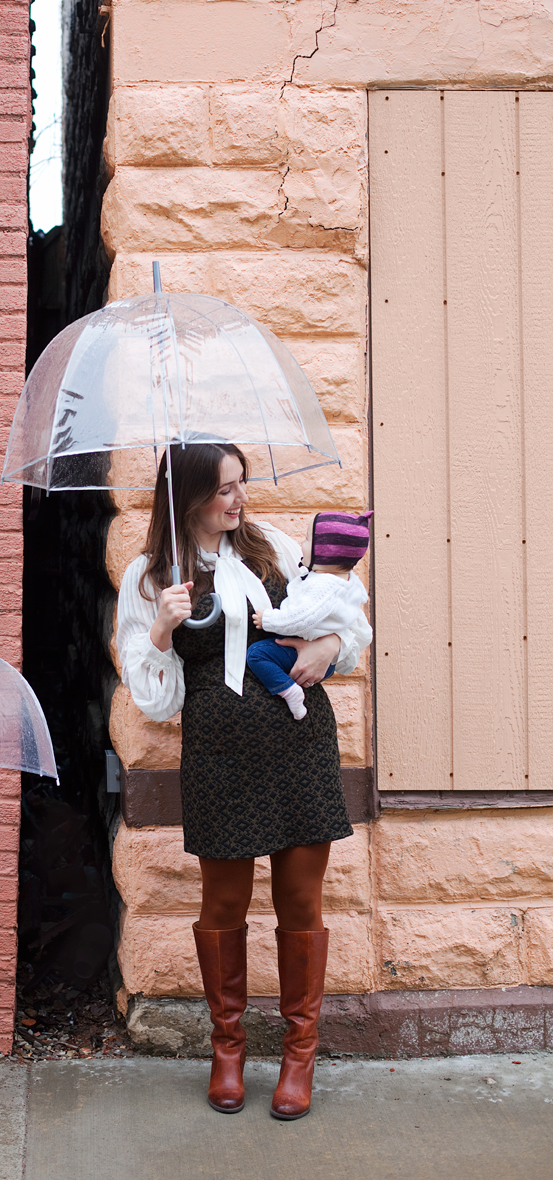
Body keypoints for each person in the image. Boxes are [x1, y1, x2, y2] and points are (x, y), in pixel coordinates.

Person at [116, 444, 371, 1122]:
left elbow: (349, 618)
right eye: (224, 489)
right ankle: (227, 1051)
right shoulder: (151, 577)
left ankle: (298, 1056)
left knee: (299, 905)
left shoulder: (279, 550)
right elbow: (156, 701)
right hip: (218, 760)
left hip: (301, 749)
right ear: (190, 496)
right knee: (223, 907)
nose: (238, 500)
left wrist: (325, 648)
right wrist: (164, 632)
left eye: (242, 484)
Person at [246, 511, 373, 720]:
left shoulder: (323, 586)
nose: (301, 543)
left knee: (258, 654)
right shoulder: (345, 580)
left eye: (307, 539)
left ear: (326, 552)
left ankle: (289, 691)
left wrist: (268, 619)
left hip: (306, 655)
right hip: (322, 660)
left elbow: (300, 618)